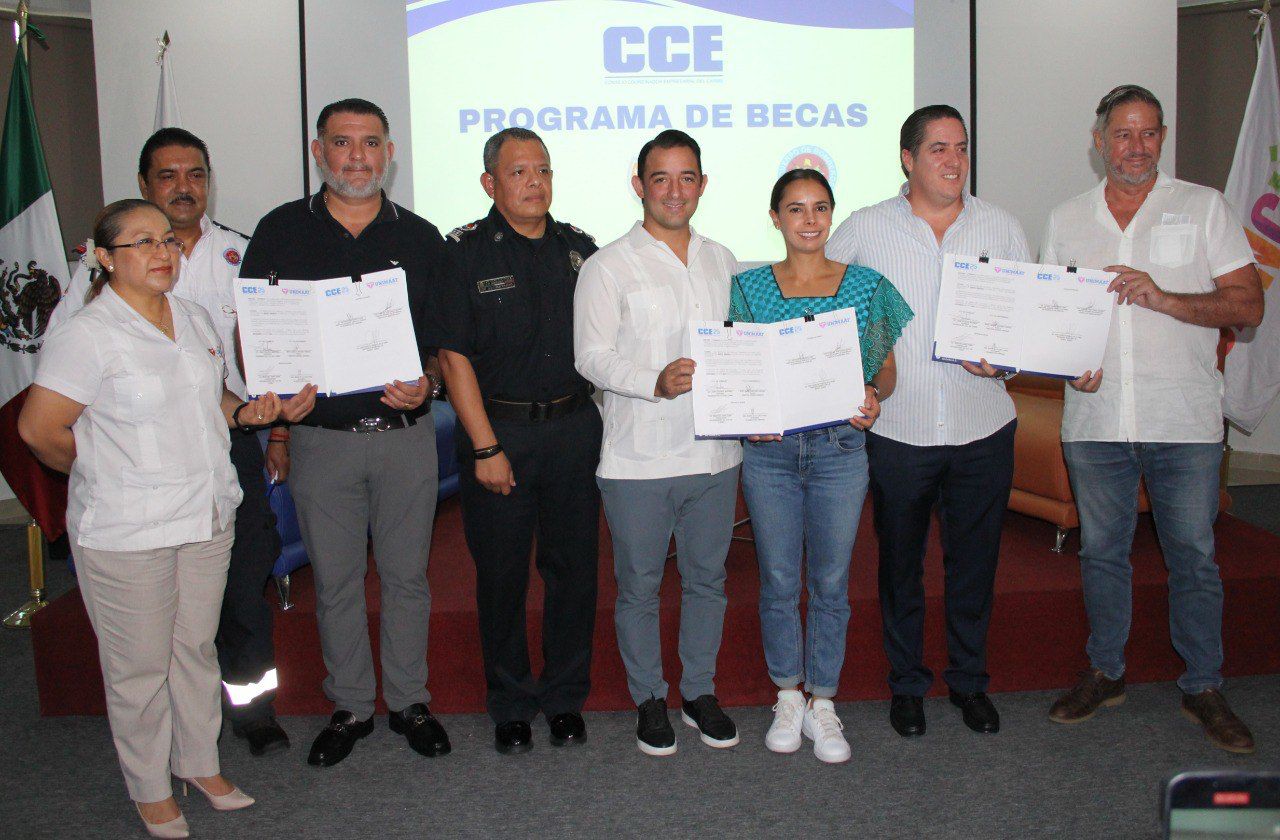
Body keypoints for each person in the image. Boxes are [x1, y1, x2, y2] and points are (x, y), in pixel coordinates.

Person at [19, 199, 311, 837]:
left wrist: (249, 413)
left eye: (167, 242)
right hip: (128, 530)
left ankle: (199, 763)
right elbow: (40, 430)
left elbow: (215, 399)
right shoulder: (87, 335)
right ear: (104, 258)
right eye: (142, 242)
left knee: (194, 651)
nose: (162, 253)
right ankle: (150, 787)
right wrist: (102, 470)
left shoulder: (192, 316)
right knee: (140, 670)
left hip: (205, 515)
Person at [49, 127, 292, 757]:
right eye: (168, 176)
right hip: (140, 464)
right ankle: (162, 738)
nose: (185, 187)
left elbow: (263, 354)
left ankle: (251, 711)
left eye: (196, 175)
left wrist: (273, 429)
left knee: (243, 581)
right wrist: (100, 467)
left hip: (226, 442)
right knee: (158, 616)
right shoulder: (94, 272)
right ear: (143, 184)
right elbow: (56, 393)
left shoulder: (241, 253)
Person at [1042, 85, 1262, 754]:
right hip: (1097, 418)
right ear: (1099, 141)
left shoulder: (1203, 206)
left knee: (1193, 556)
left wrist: (1164, 298)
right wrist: (1068, 364)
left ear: (1161, 138)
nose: (1136, 146)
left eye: (1148, 133)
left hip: (1184, 418)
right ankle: (1105, 672)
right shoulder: (1066, 218)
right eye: (1123, 133)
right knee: (1101, 553)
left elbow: (1248, 305)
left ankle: (1203, 685)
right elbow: (1052, 320)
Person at [239, 98, 450, 767]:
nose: (357, 157)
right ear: (318, 151)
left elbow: (443, 344)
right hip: (321, 440)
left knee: (407, 578)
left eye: (370, 143)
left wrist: (428, 383)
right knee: (334, 582)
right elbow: (256, 330)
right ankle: (352, 705)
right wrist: (278, 407)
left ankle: (410, 702)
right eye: (342, 142)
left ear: (390, 152)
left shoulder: (422, 238)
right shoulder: (280, 230)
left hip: (404, 435)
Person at [826, 105, 1030, 738]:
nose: (954, 160)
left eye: (961, 147)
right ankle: (907, 685)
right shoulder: (866, 229)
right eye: (938, 148)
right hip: (899, 431)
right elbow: (823, 297)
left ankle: (969, 682)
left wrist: (1005, 362)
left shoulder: (1001, 227)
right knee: (900, 567)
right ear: (908, 159)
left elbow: (1026, 323)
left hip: (982, 426)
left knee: (975, 565)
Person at [729, 168, 912, 763]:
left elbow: (886, 371)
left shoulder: (867, 286)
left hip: (840, 451)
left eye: (820, 208)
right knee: (780, 579)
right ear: (775, 218)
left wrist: (874, 395)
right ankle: (788, 693)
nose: (809, 220)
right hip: (771, 454)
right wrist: (747, 412)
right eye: (796, 208)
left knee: (831, 582)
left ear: (832, 215)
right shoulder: (747, 289)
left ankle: (824, 701)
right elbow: (739, 370)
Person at [575, 129, 742, 756]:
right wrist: (654, 381)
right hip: (636, 459)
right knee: (640, 587)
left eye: (687, 177)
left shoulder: (724, 259)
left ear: (703, 184)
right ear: (639, 186)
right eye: (661, 178)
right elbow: (590, 356)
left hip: (716, 454)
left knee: (707, 581)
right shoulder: (607, 265)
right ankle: (649, 697)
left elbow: (743, 345)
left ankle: (699, 691)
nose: (675, 190)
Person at [437, 128, 601, 754]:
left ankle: (564, 698)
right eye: (518, 172)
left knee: (573, 573)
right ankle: (509, 701)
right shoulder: (464, 254)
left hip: (572, 430)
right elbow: (454, 358)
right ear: (490, 183)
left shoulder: (581, 250)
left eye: (543, 170)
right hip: (498, 431)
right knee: (502, 576)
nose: (535, 182)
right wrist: (484, 447)